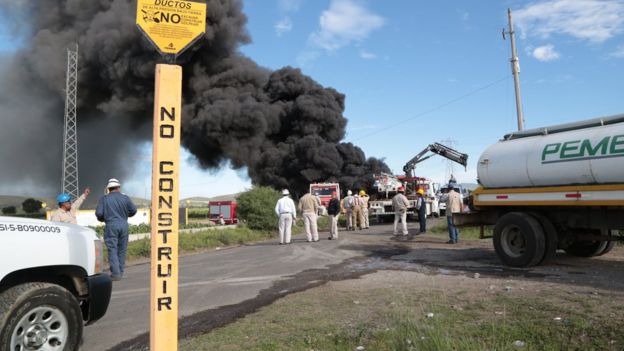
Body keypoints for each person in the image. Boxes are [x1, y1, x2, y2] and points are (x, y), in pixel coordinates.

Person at [95, 178, 137, 281]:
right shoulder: (125, 198)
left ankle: (116, 274)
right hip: (123, 224)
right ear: (118, 187)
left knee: (112, 249)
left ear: (108, 189)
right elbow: (133, 210)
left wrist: (104, 219)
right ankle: (121, 272)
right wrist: (125, 215)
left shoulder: (104, 199)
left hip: (111, 225)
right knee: (122, 249)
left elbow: (99, 213)